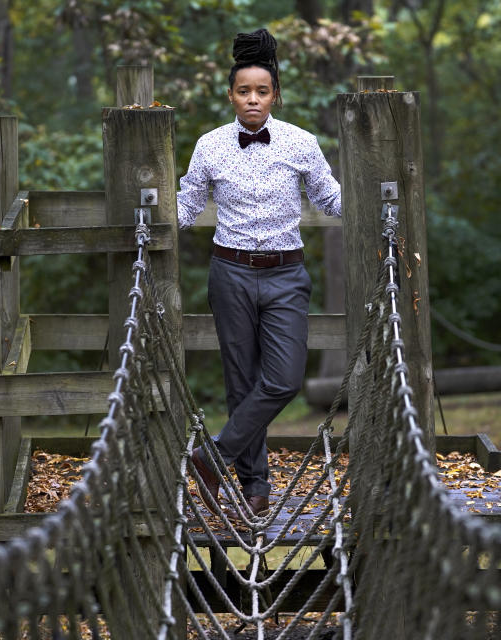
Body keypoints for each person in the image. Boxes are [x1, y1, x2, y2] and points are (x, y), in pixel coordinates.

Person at [176, 28, 342, 519]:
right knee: (239, 381)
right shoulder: (209, 146)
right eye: (244, 91)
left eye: (262, 91)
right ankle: (255, 486)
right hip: (229, 272)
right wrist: (146, 215)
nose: (253, 99)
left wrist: (381, 206)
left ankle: (211, 459)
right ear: (231, 95)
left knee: (284, 379)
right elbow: (185, 205)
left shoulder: (301, 142)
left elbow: (331, 199)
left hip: (286, 276)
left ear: (275, 96)